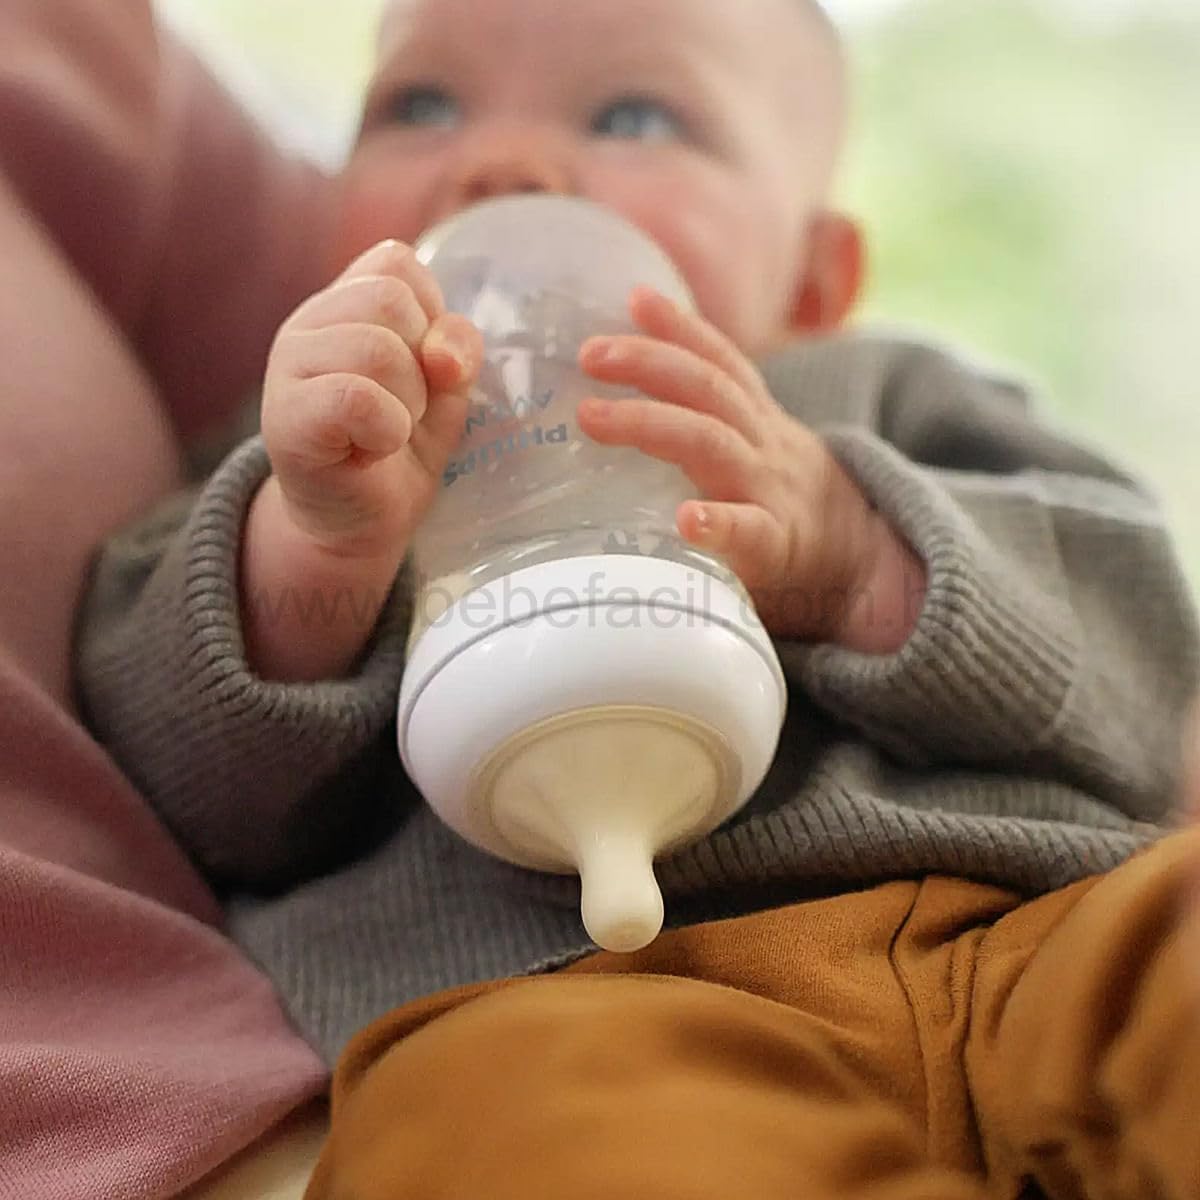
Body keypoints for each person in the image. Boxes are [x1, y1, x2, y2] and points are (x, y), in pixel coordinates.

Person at [73, 0, 1200, 1195]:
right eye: (421, 105)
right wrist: (317, 547)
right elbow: (175, 787)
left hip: (1021, 929)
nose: (502, 160)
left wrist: (857, 550)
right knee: (491, 1124)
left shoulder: (881, 400)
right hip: (563, 1010)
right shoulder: (315, 454)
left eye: (634, 116)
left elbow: (1145, 675)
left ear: (813, 280)